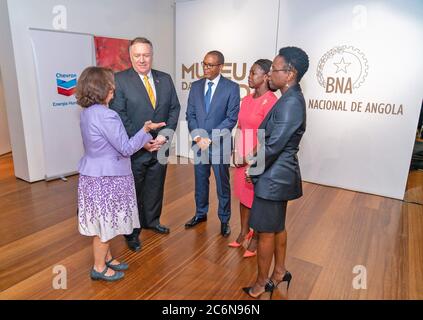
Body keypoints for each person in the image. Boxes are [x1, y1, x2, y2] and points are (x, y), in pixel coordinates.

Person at [76, 66, 165, 281]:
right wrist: (145, 131)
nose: (114, 88)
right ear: (101, 88)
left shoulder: (87, 113)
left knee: (101, 222)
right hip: (108, 178)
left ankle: (106, 258)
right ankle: (99, 268)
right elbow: (125, 148)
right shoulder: (108, 116)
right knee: (105, 227)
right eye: (110, 84)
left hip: (92, 176)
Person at [243, 47, 309, 299]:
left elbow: (274, 145)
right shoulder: (288, 98)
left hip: (274, 177)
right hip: (276, 174)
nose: (270, 73)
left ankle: (262, 283)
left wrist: (254, 168)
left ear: (290, 74)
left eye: (274, 68)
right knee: (277, 226)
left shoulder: (291, 102)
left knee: (264, 230)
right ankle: (279, 272)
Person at [110, 37, 181, 252]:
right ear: (130, 56)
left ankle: (152, 220)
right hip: (135, 149)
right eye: (137, 55)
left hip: (160, 146)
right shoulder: (119, 80)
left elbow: (174, 109)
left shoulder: (165, 79)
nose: (142, 59)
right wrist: (143, 141)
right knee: (133, 191)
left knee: (155, 185)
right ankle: (131, 232)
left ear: (152, 55)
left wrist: (164, 136)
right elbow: (120, 115)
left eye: (146, 55)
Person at [185, 50, 240, 237]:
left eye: (210, 65)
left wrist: (210, 138)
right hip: (199, 144)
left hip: (220, 144)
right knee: (200, 182)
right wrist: (198, 137)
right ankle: (200, 213)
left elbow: (231, 118)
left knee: (222, 184)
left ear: (220, 67)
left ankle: (224, 220)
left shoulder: (231, 88)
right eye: (204, 64)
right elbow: (190, 115)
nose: (206, 68)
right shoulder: (195, 86)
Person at [230, 59, 277, 258]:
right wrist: (235, 153)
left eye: (253, 73)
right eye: (249, 73)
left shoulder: (272, 101)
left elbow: (269, 136)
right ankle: (243, 231)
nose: (249, 76)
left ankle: (256, 237)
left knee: (257, 200)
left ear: (266, 76)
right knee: (243, 197)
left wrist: (249, 159)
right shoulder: (247, 99)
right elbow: (240, 128)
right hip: (242, 157)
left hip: (258, 159)